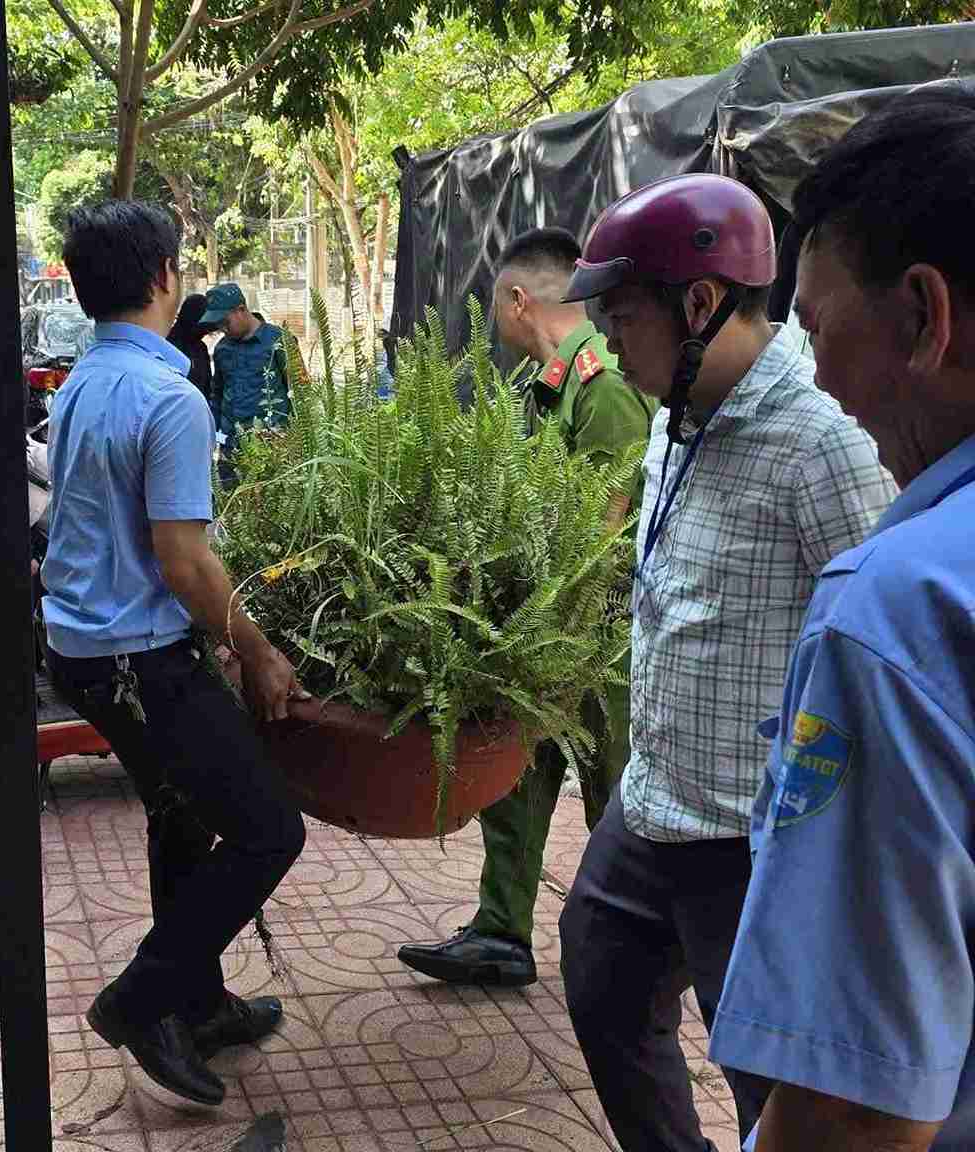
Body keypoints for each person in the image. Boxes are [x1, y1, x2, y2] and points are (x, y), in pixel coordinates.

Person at [552, 174, 898, 1151]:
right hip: (656, 795)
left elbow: (878, 649)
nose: (604, 342)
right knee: (601, 981)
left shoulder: (821, 443)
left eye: (619, 316)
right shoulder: (677, 406)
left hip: (753, 841)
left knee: (772, 1087)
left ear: (699, 305)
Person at [706, 86, 975, 1152]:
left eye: (817, 327)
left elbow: (857, 1110)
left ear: (922, 316)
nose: (815, 370)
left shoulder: (898, 612)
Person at [41, 201, 306, 1108]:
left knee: (183, 816)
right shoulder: (168, 395)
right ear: (164, 277)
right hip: (136, 657)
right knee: (270, 829)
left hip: (83, 646)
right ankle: (143, 1000)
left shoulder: (81, 381)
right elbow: (185, 559)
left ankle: (195, 1000)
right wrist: (258, 651)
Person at [397, 226, 657, 988]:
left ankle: (635, 956)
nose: (493, 324)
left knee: (615, 794)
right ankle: (501, 933)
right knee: (513, 780)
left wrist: (535, 622)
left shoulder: (603, 384)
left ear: (518, 300)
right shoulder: (543, 386)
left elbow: (599, 528)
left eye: (493, 307)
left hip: (599, 636)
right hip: (544, 631)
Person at [202, 282, 291, 484]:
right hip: (231, 448)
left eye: (225, 322)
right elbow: (217, 394)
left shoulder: (278, 341)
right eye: (218, 325)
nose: (222, 329)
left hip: (272, 446)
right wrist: (214, 436)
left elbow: (301, 392)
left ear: (241, 310)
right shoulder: (222, 349)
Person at [167, 292, 216, 409]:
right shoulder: (168, 347)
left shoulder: (200, 348)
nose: (207, 332)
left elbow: (206, 387)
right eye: (205, 327)